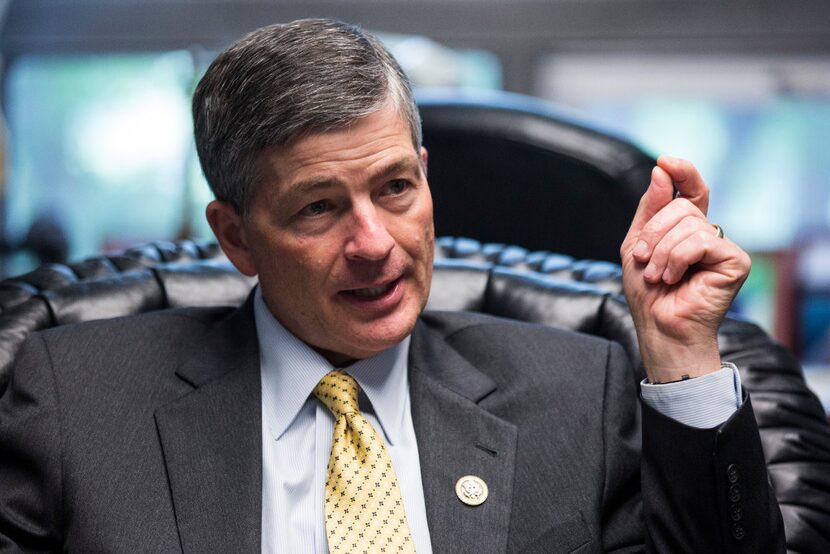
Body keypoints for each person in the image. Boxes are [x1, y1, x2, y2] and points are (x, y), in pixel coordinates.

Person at [0, 18, 784, 553]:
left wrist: (681, 351)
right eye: (317, 208)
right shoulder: (75, 399)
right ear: (235, 236)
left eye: (396, 189)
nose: (375, 244)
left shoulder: (579, 387)